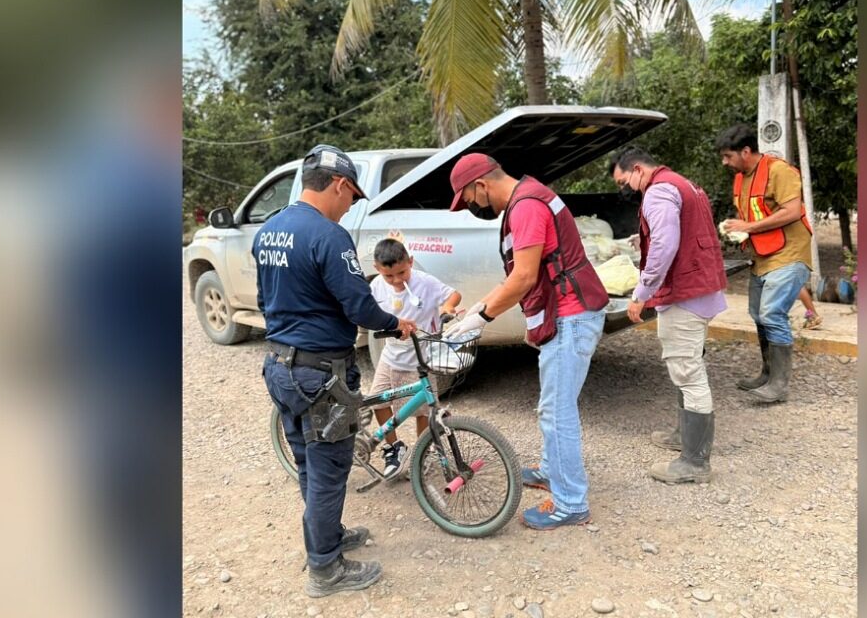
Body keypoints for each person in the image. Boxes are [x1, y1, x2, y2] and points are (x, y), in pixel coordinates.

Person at [253, 144, 417, 598]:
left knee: (309, 462)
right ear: (340, 185)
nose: (349, 207)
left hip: (281, 367)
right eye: (351, 197)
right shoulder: (328, 235)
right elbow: (359, 305)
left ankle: (327, 537)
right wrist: (395, 323)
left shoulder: (269, 230)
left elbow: (267, 299)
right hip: (321, 374)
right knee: (328, 469)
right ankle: (325, 569)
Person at [442, 153, 608, 530]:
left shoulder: (526, 207)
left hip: (570, 315)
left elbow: (524, 278)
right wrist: (479, 307)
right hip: (566, 314)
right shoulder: (529, 196)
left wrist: (481, 318)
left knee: (557, 411)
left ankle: (570, 503)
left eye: (468, 198)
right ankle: (552, 472)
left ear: (481, 185)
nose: (470, 206)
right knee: (552, 405)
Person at [609, 146, 727, 484]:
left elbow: (664, 245)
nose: (626, 188)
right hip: (700, 287)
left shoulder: (657, 191)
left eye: (624, 181)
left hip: (684, 294)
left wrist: (641, 294)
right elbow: (680, 231)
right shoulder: (681, 183)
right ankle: (683, 434)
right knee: (686, 364)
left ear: (636, 169)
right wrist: (640, 239)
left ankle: (694, 463)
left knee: (688, 371)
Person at [717, 124, 814, 403]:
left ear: (745, 151)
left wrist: (749, 225)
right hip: (762, 256)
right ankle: (768, 374)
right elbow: (751, 218)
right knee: (758, 314)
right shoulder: (741, 177)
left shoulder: (779, 171)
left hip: (789, 253)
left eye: (727, 156)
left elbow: (793, 210)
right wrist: (737, 228)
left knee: (771, 313)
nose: (725, 162)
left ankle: (779, 386)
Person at [368, 238, 462, 479]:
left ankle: (423, 452)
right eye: (390, 276)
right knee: (378, 401)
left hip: (420, 357)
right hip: (390, 356)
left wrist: (447, 308)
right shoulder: (377, 285)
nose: (397, 280)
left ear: (410, 262)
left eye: (402, 272)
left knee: (423, 411)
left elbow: (453, 295)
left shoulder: (424, 282)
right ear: (378, 268)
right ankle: (393, 448)